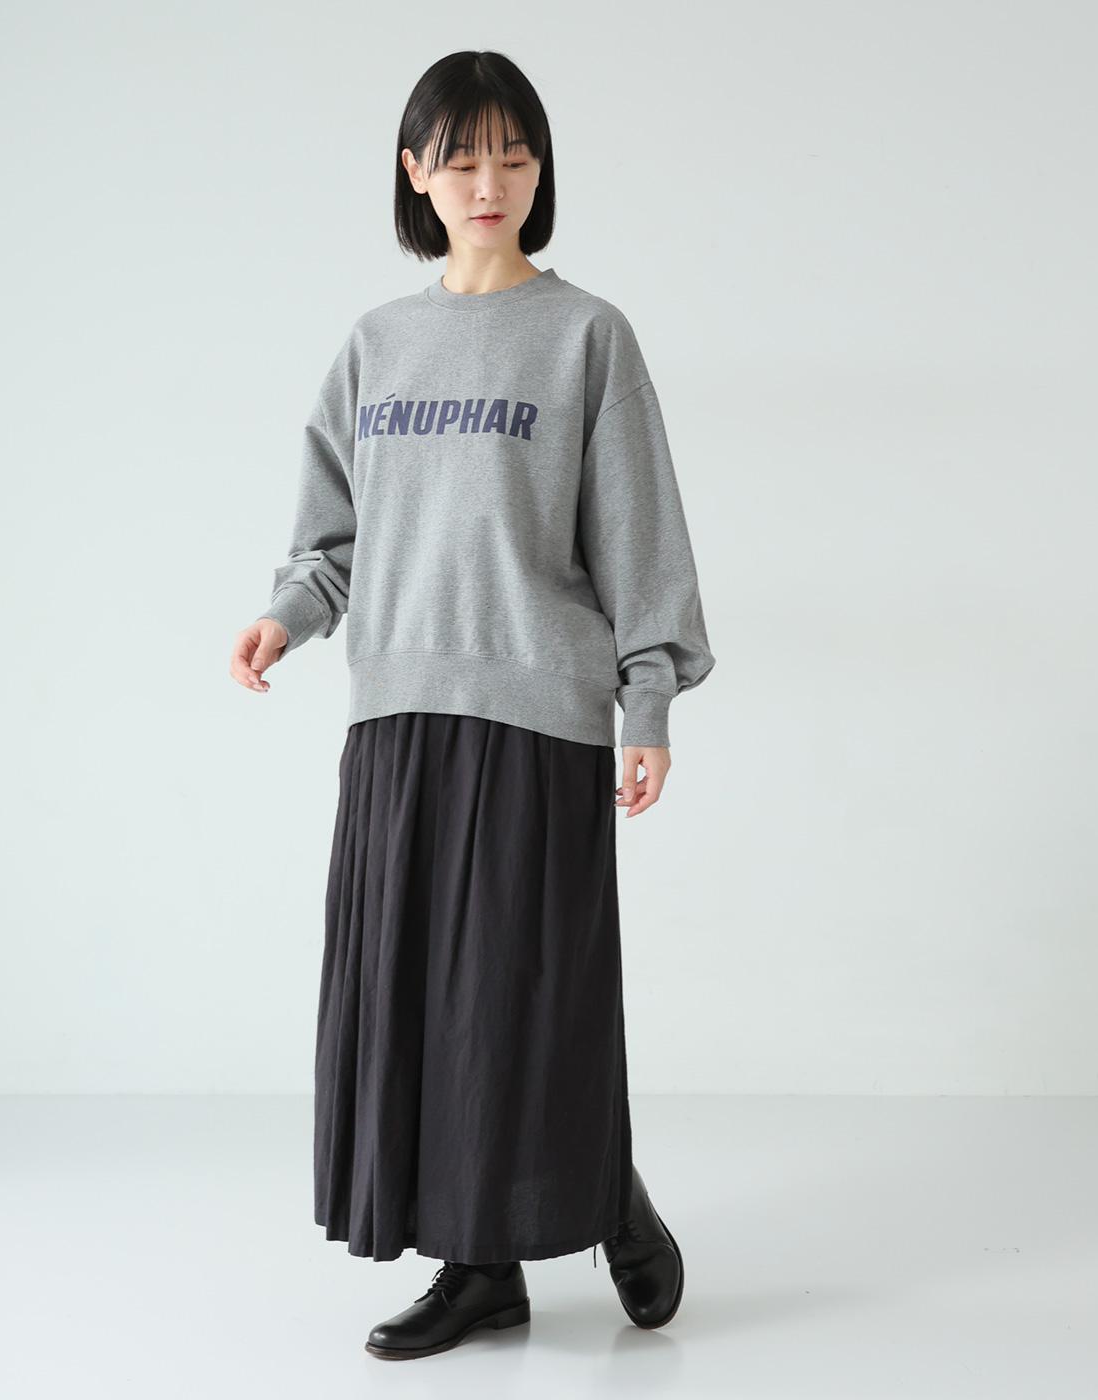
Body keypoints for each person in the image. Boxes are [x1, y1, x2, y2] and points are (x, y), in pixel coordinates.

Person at [229, 49, 716, 1360]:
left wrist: (649, 704)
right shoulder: (377, 345)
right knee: (422, 1007)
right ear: (416, 174)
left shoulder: (587, 336)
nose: (488, 180)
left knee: (525, 998)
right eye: (460, 157)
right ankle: (481, 1268)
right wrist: (287, 616)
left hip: (540, 710)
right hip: (396, 711)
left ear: (540, 170)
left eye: (513, 154)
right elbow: (331, 537)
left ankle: (606, 1196)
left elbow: (641, 541)